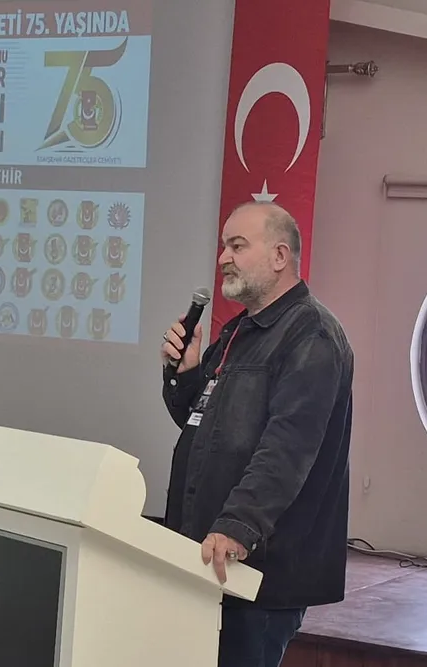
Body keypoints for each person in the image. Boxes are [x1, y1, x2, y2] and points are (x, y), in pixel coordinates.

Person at [160, 202, 353, 667]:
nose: (223, 257)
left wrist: (237, 525)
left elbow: (288, 448)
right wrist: (186, 375)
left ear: (280, 256)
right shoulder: (240, 332)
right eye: (223, 246)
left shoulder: (311, 335)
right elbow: (205, 428)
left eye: (237, 246)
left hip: (260, 573)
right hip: (212, 560)